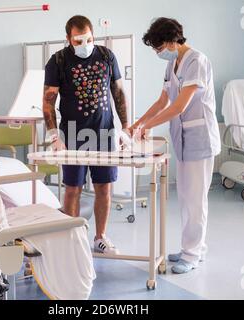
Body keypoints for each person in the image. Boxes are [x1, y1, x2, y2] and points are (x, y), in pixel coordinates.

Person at [129, 17, 221, 273]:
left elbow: (179, 106)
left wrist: (147, 128)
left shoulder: (197, 61)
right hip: (182, 139)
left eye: (159, 49)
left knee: (195, 199)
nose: (159, 53)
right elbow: (162, 101)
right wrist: (137, 123)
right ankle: (192, 247)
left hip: (199, 137)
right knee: (185, 197)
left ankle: (192, 254)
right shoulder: (172, 66)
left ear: (172, 41)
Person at [43, 15, 129, 254]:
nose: (84, 45)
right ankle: (71, 238)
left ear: (94, 36)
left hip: (104, 131)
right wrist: (54, 136)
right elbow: (48, 102)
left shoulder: (106, 56)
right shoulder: (58, 61)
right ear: (68, 39)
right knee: (73, 188)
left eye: (89, 39)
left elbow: (119, 93)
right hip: (72, 134)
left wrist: (126, 128)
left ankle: (100, 237)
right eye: (78, 41)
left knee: (104, 187)